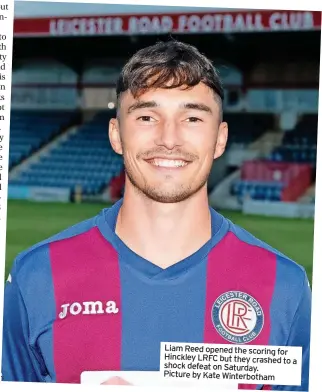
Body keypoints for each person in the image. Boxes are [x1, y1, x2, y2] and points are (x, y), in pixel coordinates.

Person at [2, 41, 311, 390]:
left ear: (220, 139)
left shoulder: (285, 286)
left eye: (192, 118)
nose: (169, 139)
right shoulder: (37, 276)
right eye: (147, 117)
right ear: (116, 135)